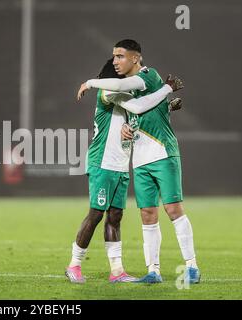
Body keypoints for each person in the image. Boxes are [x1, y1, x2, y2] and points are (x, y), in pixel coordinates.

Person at [77, 39, 200, 284]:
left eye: (120, 56)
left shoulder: (149, 75)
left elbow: (140, 102)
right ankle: (153, 271)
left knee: (173, 210)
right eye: (114, 57)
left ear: (135, 58)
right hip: (140, 158)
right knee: (147, 214)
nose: (116, 61)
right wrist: (129, 126)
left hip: (163, 153)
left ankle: (192, 267)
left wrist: (89, 82)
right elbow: (139, 109)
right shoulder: (127, 92)